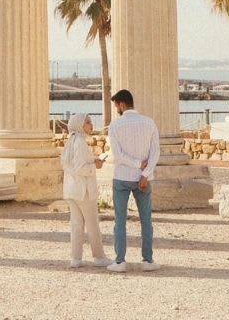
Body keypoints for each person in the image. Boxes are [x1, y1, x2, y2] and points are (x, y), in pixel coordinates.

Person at [102, 88, 160, 272]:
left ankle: (120, 261)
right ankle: (147, 260)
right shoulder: (149, 123)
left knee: (119, 221)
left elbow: (117, 155)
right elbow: (155, 152)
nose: (116, 109)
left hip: (121, 177)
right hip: (142, 179)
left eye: (116, 105)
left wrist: (136, 164)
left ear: (121, 104)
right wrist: (145, 173)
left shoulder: (115, 126)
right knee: (146, 220)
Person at [59, 112, 113, 268]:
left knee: (76, 224)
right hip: (83, 191)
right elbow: (80, 168)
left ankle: (75, 258)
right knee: (92, 224)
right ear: (79, 125)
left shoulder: (72, 142)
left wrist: (92, 160)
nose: (91, 124)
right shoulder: (80, 143)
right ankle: (99, 257)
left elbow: (71, 165)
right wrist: (95, 165)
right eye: (88, 122)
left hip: (71, 190)